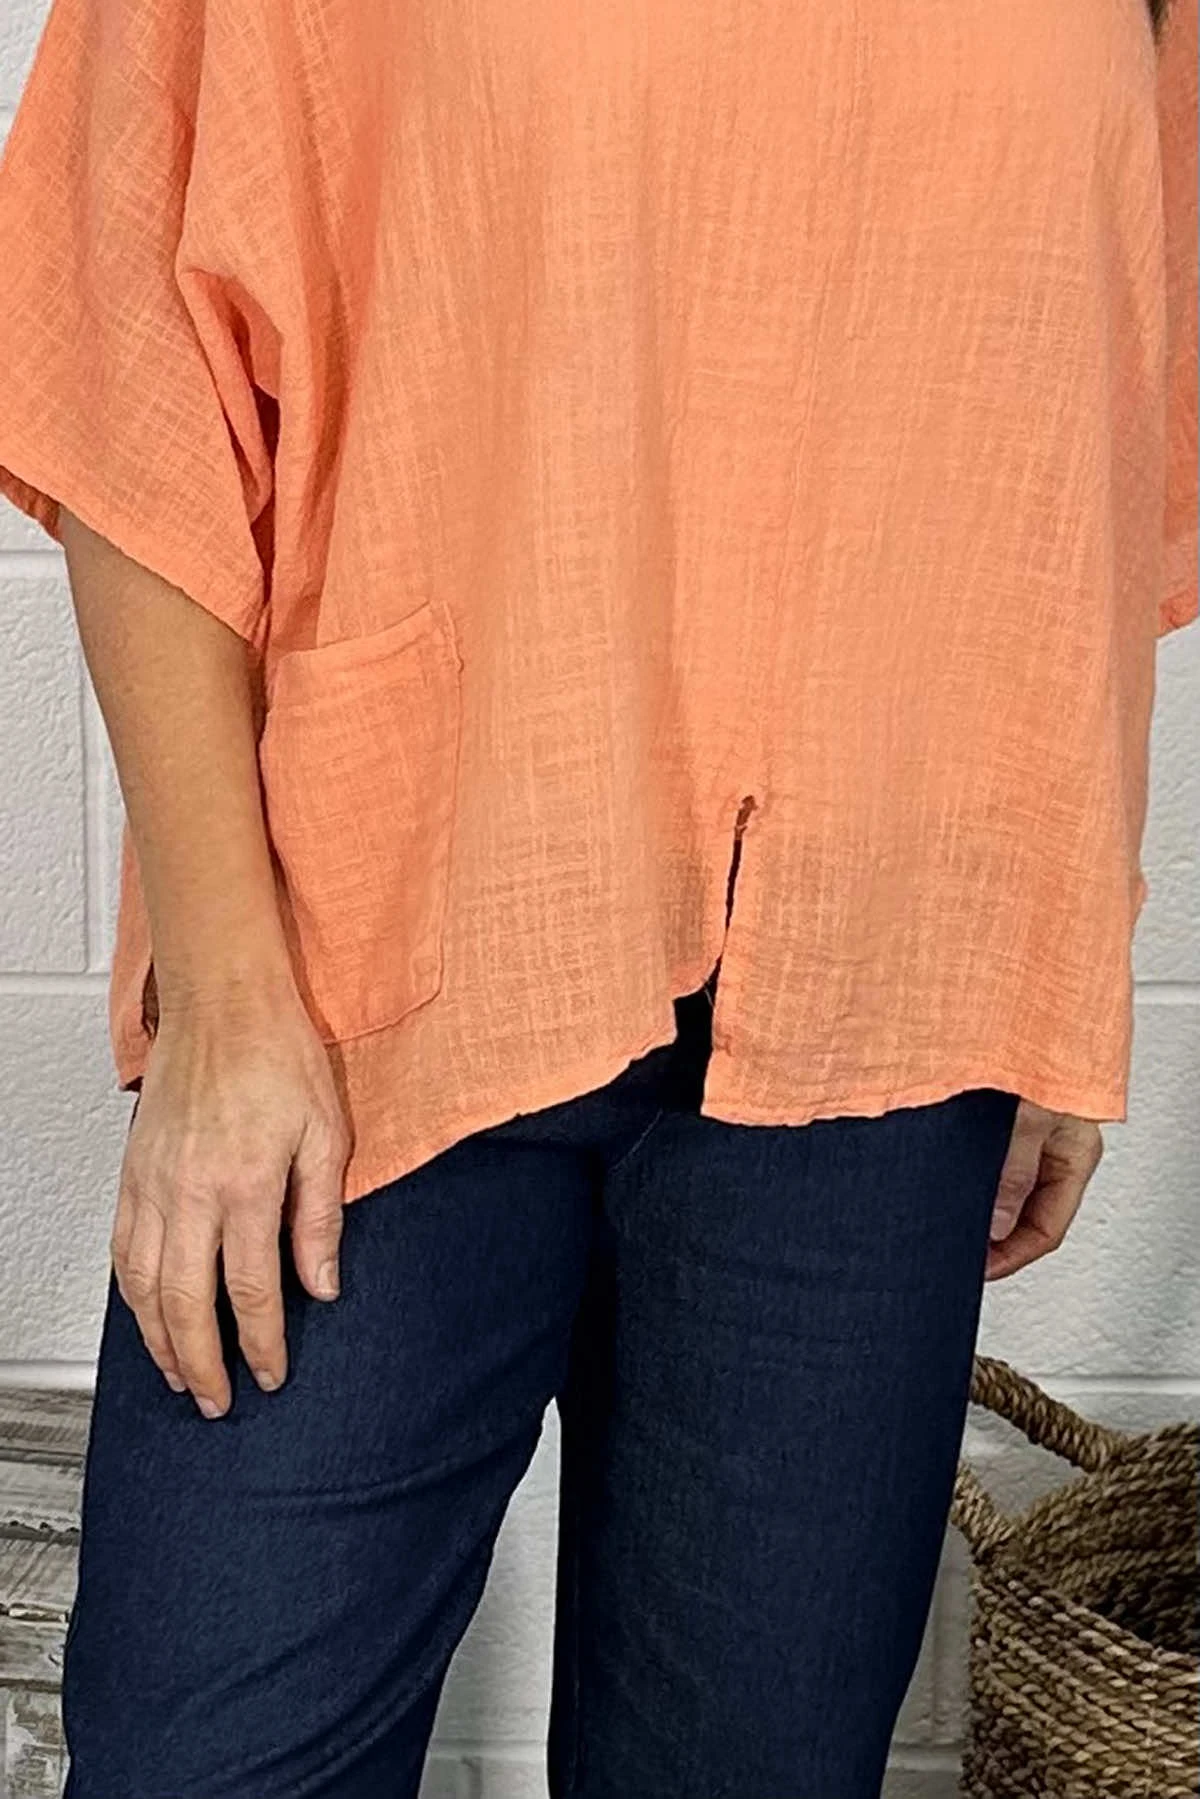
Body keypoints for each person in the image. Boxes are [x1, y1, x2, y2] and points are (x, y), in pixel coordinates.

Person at [0, 0, 1195, 1793]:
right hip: (379, 971)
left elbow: (1090, 413)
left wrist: (1046, 950)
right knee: (208, 1753)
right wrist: (229, 1007)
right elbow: (129, 351)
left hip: (887, 1016)